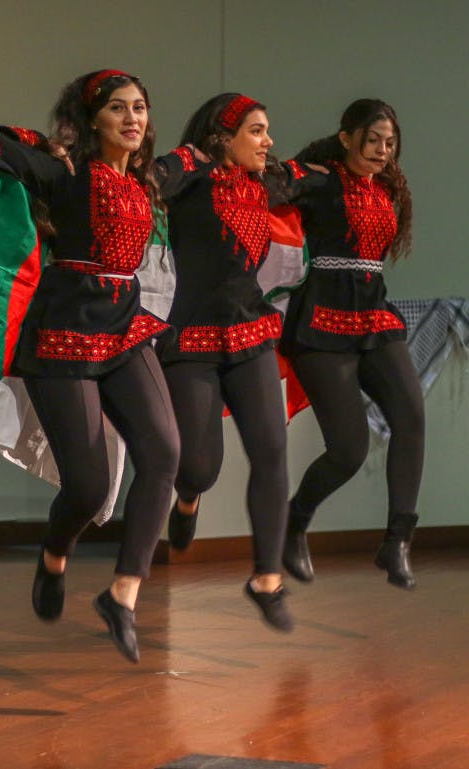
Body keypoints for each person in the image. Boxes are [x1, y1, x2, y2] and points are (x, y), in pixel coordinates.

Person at [0, 70, 179, 662]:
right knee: (88, 485)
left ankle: (123, 595)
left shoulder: (148, 182)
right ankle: (54, 556)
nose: (132, 118)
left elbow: (195, 166)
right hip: (65, 332)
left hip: (126, 325)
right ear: (91, 121)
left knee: (163, 454)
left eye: (140, 108)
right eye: (116, 109)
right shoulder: (64, 172)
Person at [154, 93, 324, 632]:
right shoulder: (188, 181)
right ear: (223, 137)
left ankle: (267, 579)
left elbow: (317, 174)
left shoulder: (266, 182)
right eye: (256, 131)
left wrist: (364, 158)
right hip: (192, 341)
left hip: (250, 334)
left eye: (267, 131)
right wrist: (191, 157)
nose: (268, 141)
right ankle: (186, 498)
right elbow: (149, 179)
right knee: (201, 467)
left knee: (273, 451)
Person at [279, 99, 422, 589]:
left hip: (374, 317)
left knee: (411, 417)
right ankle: (294, 522)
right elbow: (268, 185)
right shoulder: (319, 180)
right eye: (373, 139)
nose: (383, 150)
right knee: (348, 450)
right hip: (321, 322)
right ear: (346, 137)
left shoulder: (386, 189)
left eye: (390, 142)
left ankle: (397, 541)